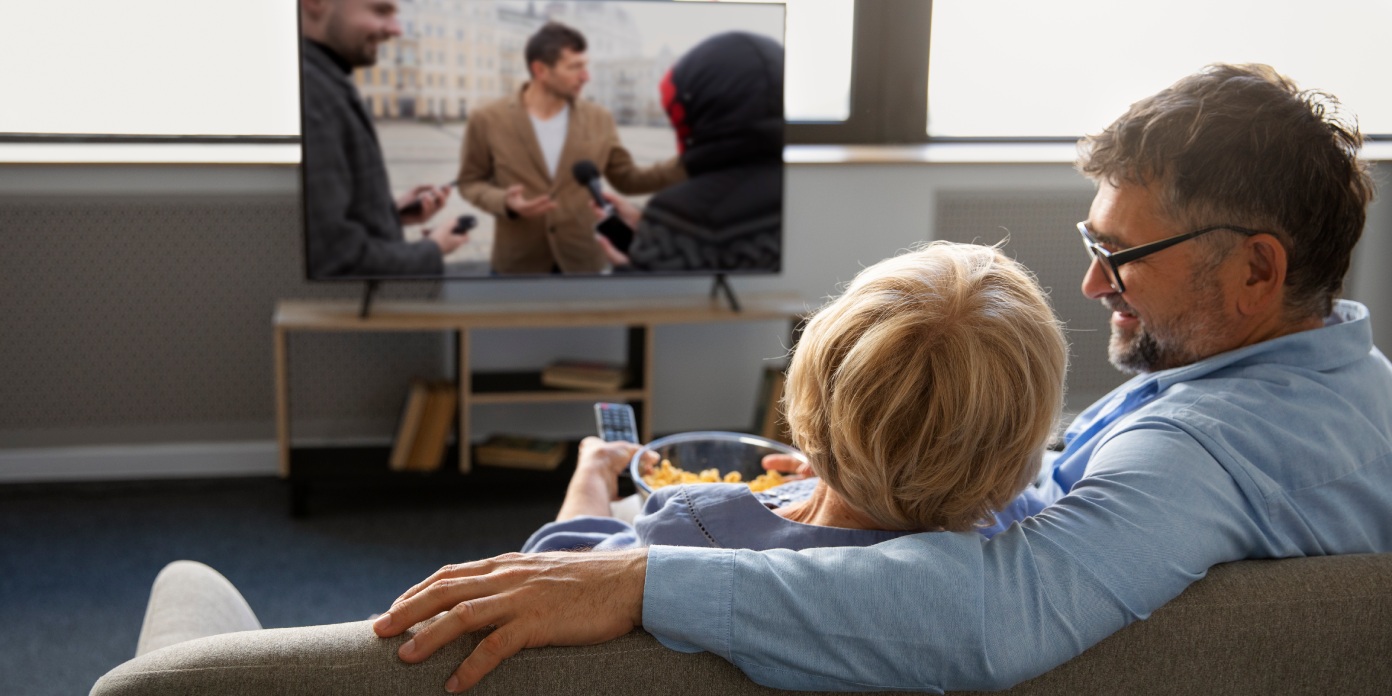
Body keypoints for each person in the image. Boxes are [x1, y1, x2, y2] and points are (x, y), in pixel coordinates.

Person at [368, 63, 1392, 693]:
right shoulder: (1343, 385)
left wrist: (643, 577)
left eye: (1122, 255)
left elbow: (993, 615)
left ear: (1258, 269)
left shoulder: (1202, 452)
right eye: (1093, 241)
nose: (1090, 280)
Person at [524, 242, 1068, 554]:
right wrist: (859, 467)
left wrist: (593, 474)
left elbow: (552, 571)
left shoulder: (693, 526)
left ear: (808, 395)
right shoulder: (1012, 536)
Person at [457, 22, 685, 275]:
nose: (586, 76)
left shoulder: (600, 117)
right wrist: (505, 202)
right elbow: (470, 181)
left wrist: (691, 162)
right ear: (540, 70)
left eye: (585, 66)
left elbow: (628, 179)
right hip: (519, 263)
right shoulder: (487, 118)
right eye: (575, 67)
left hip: (584, 260)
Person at [300, 0, 467, 278]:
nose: (397, 29)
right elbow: (337, 260)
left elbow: (327, 220)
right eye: (380, 10)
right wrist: (434, 248)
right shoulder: (309, 93)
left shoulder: (326, 75)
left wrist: (390, 214)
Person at [593, 31, 783, 273]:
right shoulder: (816, 187)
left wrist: (633, 262)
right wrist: (648, 226)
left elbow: (657, 301)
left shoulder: (682, 215)